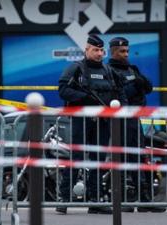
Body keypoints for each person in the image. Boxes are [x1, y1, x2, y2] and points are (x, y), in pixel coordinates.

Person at [56, 34, 128, 214]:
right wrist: (84, 98)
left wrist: (121, 109)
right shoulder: (76, 68)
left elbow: (120, 93)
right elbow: (63, 90)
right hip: (82, 119)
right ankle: (64, 199)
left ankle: (95, 201)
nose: (98, 53)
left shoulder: (109, 71)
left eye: (101, 50)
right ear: (86, 50)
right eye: (95, 50)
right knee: (76, 158)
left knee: (98, 160)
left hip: (103, 121)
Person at [108, 36, 166, 213]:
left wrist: (139, 83)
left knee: (139, 158)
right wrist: (134, 87)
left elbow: (147, 88)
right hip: (119, 120)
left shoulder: (132, 68)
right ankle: (125, 199)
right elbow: (117, 95)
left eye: (127, 51)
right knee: (123, 159)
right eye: (121, 51)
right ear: (113, 52)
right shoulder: (108, 70)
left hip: (134, 119)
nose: (126, 54)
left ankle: (144, 200)